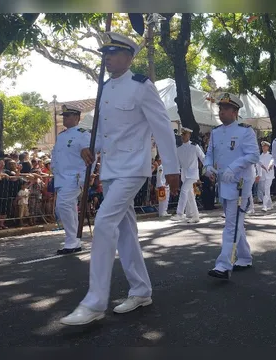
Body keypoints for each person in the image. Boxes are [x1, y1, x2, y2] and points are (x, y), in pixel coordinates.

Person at [60, 32, 181, 326]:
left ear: (129, 56)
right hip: (112, 168)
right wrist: (93, 148)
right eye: (105, 53)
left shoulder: (141, 86)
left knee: (103, 223)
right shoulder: (105, 89)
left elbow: (162, 126)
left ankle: (94, 301)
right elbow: (104, 131)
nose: (108, 58)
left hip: (133, 168)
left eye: (113, 53)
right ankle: (141, 290)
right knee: (126, 233)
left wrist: (173, 167)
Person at [203, 93, 259, 279]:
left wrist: (233, 168)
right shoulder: (216, 131)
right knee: (234, 222)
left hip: (240, 182)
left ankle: (224, 264)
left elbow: (253, 155)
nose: (221, 112)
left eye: (226, 109)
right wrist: (208, 166)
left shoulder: (245, 131)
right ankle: (244, 256)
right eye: (220, 108)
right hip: (223, 182)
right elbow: (209, 153)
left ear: (235, 112)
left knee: (231, 224)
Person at [51, 105, 91, 254]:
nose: (65, 118)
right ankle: (75, 240)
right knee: (68, 209)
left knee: (63, 206)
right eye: (64, 116)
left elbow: (89, 158)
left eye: (68, 116)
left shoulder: (83, 134)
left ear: (76, 117)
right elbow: (55, 155)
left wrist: (86, 178)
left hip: (74, 177)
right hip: (61, 178)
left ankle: (71, 241)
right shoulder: (61, 136)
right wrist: (54, 169)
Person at [172, 127, 205, 223]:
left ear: (189, 135)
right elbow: (177, 164)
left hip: (192, 174)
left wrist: (208, 169)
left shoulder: (194, 146)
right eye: (182, 134)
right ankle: (195, 216)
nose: (183, 136)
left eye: (185, 134)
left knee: (184, 190)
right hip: (184, 175)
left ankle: (180, 214)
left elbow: (203, 158)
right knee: (190, 196)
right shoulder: (179, 149)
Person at [258, 141, 275, 212]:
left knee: (267, 189)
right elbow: (259, 164)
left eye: (265, 146)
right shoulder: (259, 156)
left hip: (269, 176)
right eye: (263, 146)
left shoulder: (271, 156)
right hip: (262, 176)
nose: (264, 148)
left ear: (268, 147)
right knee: (264, 190)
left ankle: (264, 206)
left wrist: (270, 165)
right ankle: (270, 204)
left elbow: (272, 161)